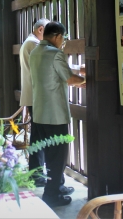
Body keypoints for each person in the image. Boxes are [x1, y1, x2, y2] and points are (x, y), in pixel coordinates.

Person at [29, 22, 86, 207]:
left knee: (49, 153)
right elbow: (69, 78)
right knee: (58, 156)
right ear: (57, 36)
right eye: (64, 38)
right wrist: (86, 80)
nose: (63, 43)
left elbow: (54, 75)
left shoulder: (35, 52)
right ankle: (51, 195)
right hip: (55, 114)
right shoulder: (55, 53)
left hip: (39, 113)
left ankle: (58, 187)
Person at [19, 18, 49, 187]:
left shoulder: (28, 42)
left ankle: (37, 173)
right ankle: (37, 175)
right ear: (40, 29)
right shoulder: (34, 44)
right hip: (36, 96)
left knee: (38, 135)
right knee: (39, 136)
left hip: (33, 95)